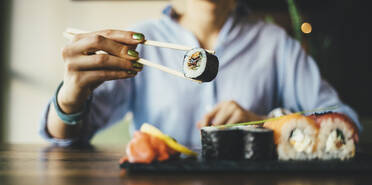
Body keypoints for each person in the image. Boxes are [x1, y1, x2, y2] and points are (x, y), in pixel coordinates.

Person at [39, 0, 361, 147]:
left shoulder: (275, 43)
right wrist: (70, 97)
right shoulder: (141, 40)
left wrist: (266, 125)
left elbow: (346, 123)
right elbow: (66, 136)